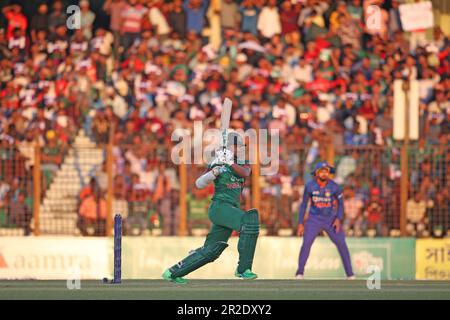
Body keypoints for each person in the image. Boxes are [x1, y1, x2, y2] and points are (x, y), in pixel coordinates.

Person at [162, 131, 259, 284]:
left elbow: (246, 173)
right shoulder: (216, 162)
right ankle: (243, 270)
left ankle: (173, 272)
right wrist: (214, 172)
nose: (241, 149)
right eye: (238, 146)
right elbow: (199, 184)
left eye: (242, 146)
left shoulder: (242, 163)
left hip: (230, 209)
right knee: (250, 222)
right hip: (220, 208)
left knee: (211, 251)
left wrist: (230, 163)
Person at [296, 161, 354, 279]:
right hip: (314, 219)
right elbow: (303, 205)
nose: (324, 174)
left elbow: (341, 204)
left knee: (342, 244)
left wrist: (338, 219)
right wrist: (300, 223)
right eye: (322, 171)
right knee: (306, 243)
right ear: (317, 173)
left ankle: (350, 274)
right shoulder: (310, 186)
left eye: (326, 171)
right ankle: (299, 273)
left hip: (330, 219)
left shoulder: (334, 187)